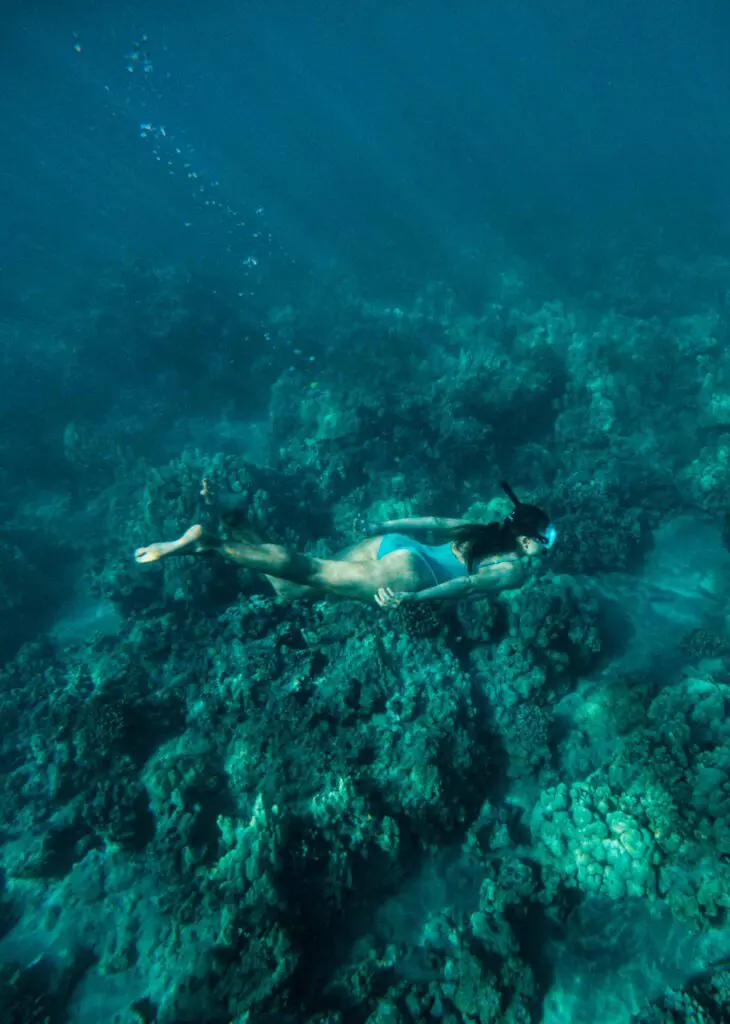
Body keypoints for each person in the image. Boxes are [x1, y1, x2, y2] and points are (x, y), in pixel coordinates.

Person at [134, 480, 556, 607]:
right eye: (544, 540)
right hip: (409, 574)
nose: (547, 547)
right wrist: (415, 599)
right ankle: (209, 544)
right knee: (312, 570)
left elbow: (432, 520)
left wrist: (384, 521)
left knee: (293, 587)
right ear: (525, 538)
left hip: (392, 543)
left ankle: (233, 517)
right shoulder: (516, 569)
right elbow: (465, 586)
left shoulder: (480, 527)